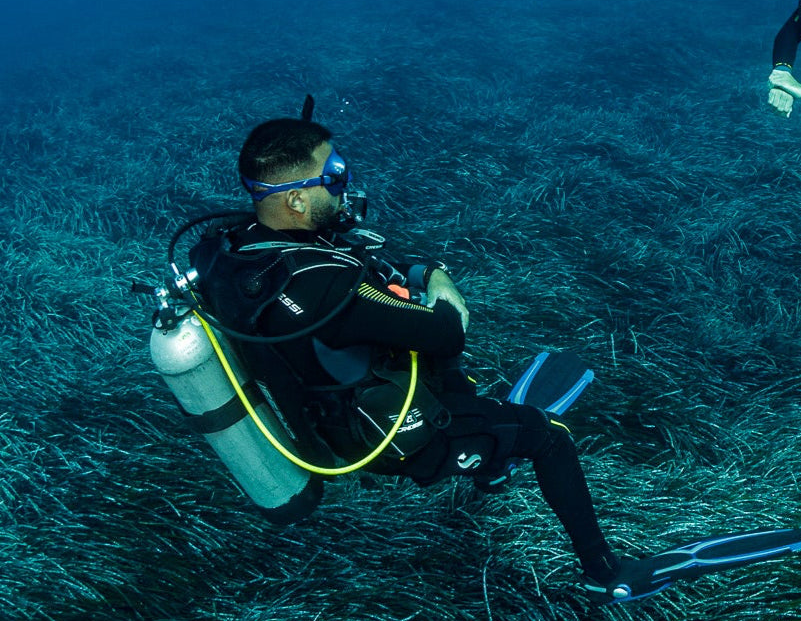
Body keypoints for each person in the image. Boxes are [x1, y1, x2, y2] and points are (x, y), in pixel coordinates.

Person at [189, 116, 627, 596]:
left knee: (436, 358)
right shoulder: (327, 292)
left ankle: (490, 457)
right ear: (295, 199)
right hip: (389, 438)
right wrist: (437, 275)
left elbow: (360, 262)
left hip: (317, 411)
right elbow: (446, 330)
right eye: (333, 175)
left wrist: (403, 275)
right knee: (551, 438)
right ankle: (605, 572)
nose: (345, 185)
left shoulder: (225, 251)